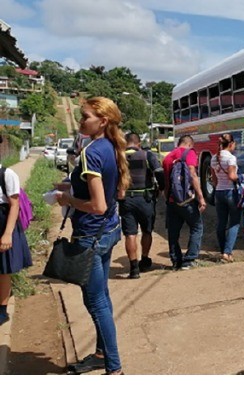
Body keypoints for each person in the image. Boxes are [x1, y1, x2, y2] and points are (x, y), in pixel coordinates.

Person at [55, 96, 130, 375]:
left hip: (90, 236)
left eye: (85, 116)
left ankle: (114, 368)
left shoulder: (91, 152)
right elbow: (105, 191)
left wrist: (67, 200)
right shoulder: (109, 147)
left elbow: (97, 206)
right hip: (108, 232)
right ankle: (102, 353)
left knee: (95, 301)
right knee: (102, 296)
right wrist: (68, 185)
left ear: (103, 121)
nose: (80, 121)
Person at [120, 132, 164, 279]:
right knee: (146, 231)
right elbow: (159, 172)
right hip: (145, 199)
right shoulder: (147, 155)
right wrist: (162, 189)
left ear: (126, 143)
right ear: (138, 143)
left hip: (126, 200)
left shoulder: (119, 157)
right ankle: (144, 260)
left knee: (130, 234)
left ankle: (133, 269)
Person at [162, 135, 207, 270]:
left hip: (172, 200)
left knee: (173, 232)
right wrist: (201, 197)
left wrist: (168, 199)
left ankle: (176, 261)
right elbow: (192, 175)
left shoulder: (168, 158)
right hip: (188, 199)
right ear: (189, 144)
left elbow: (166, 182)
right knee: (196, 227)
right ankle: (189, 260)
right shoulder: (189, 153)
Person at [0, 166, 32, 327]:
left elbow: (14, 205)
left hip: (3, 223)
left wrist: (7, 234)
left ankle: (2, 309)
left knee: (3, 269)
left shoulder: (6, 174)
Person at [210, 133, 240, 263]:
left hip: (218, 193)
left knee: (221, 222)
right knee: (234, 222)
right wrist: (242, 178)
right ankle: (227, 253)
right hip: (230, 193)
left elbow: (214, 180)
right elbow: (232, 176)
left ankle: (223, 250)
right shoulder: (231, 158)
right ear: (231, 144)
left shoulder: (213, 158)